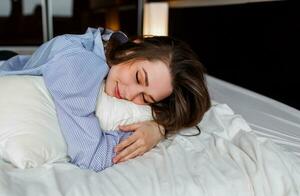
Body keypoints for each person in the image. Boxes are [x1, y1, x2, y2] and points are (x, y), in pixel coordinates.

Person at [0, 27, 211, 172]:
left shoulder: (111, 46)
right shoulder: (75, 70)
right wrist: (156, 132)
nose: (129, 94)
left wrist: (160, 126)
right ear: (132, 48)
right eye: (139, 77)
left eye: (145, 97)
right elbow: (91, 158)